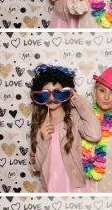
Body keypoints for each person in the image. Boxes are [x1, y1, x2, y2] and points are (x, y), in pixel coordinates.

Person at [30, 64, 101, 192]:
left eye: (57, 93)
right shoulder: (39, 123)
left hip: (73, 185)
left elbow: (95, 135)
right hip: (50, 186)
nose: (52, 98)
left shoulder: (73, 117)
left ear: (66, 93)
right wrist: (44, 140)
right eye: (46, 94)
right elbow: (38, 166)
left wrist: (79, 101)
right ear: (39, 95)